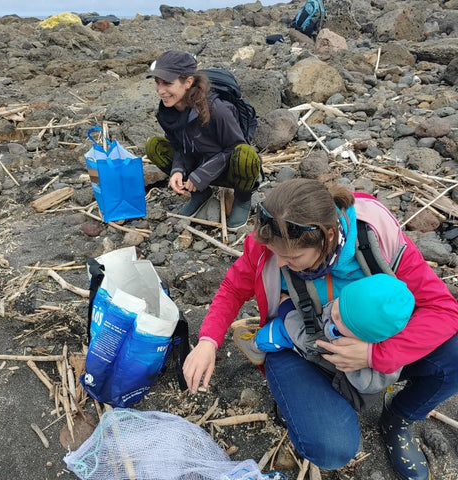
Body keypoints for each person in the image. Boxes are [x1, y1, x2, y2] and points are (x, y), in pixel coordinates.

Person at [183, 178, 458, 480]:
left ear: (327, 237)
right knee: (331, 450)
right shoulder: (270, 243)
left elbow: (444, 310)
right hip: (300, 344)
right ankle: (302, 395)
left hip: (371, 343)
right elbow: (233, 288)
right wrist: (208, 341)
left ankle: (400, 417)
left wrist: (374, 354)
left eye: (293, 258)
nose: (281, 263)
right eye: (276, 254)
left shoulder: (375, 236)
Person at [233, 273, 415, 397]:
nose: (334, 311)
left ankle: (256, 345)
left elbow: (307, 339)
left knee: (280, 330)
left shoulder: (343, 346)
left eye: (342, 320)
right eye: (340, 300)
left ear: (364, 338)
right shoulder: (378, 335)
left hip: (329, 372)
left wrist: (286, 307)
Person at [145, 50, 262, 230]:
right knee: (154, 146)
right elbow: (179, 147)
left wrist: (201, 175)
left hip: (228, 171)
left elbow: (234, 147)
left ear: (188, 82)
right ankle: (200, 194)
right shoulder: (167, 112)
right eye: (157, 82)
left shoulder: (217, 108)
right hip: (197, 172)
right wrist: (177, 170)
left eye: (167, 83)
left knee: (246, 154)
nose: (160, 91)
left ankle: (242, 200)